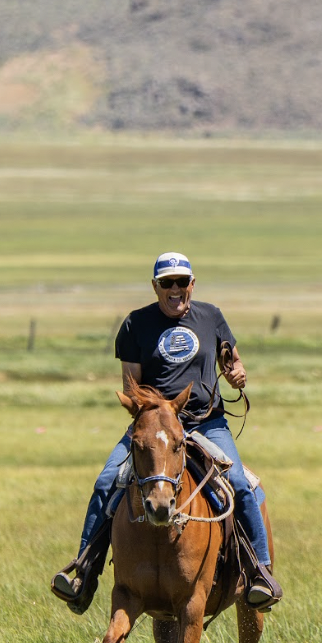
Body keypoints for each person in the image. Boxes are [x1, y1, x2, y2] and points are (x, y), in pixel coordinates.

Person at [51, 251, 282, 613]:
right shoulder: (135, 324)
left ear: (192, 283)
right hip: (155, 426)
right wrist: (159, 413)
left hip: (206, 423)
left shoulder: (212, 317)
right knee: (106, 482)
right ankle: (83, 574)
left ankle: (260, 575)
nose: (175, 289)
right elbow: (131, 387)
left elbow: (233, 361)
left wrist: (238, 374)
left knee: (239, 483)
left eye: (181, 282)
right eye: (166, 283)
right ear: (155, 286)